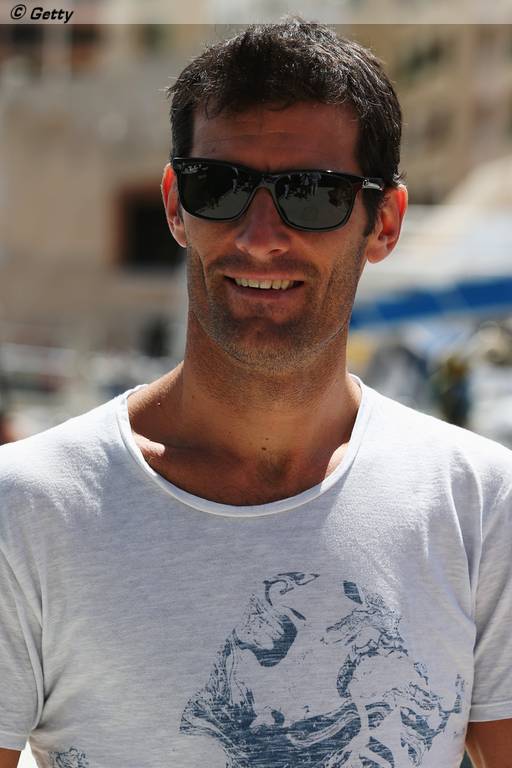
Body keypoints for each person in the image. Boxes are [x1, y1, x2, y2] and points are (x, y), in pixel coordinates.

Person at [0, 20, 511, 768]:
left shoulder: (480, 506)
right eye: (221, 187)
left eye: (313, 194)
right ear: (176, 204)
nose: (260, 235)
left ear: (385, 222)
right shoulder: (27, 508)